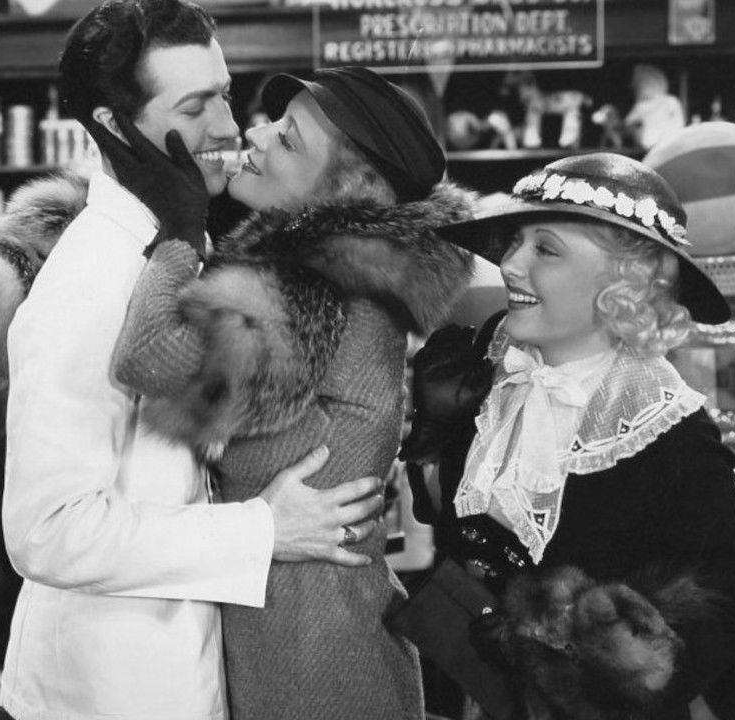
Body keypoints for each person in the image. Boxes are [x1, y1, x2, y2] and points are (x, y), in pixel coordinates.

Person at [0, 2, 385, 718]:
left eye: (225, 94)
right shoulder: (89, 280)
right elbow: (47, 531)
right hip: (109, 692)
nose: (229, 126)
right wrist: (264, 530)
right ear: (115, 127)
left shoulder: (174, 246)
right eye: (196, 106)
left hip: (180, 669)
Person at [102, 66, 477, 719]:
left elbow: (147, 358)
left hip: (315, 663)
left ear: (351, 191)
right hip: (307, 634)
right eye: (273, 120)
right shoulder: (348, 278)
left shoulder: (317, 286)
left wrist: (179, 231)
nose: (256, 133)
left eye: (288, 138)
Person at [402, 152, 735, 719]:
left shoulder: (660, 424)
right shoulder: (494, 373)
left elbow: (734, 602)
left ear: (621, 283)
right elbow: (457, 531)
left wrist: (574, 658)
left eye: (546, 249)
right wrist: (433, 439)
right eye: (515, 242)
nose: (510, 264)